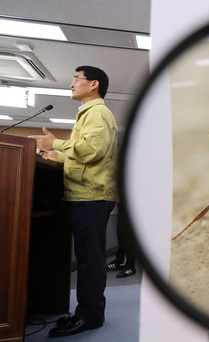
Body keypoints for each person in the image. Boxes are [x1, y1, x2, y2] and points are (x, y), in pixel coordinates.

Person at [29, 66, 118, 338]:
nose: (71, 84)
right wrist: (59, 157)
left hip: (91, 197)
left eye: (75, 79)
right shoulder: (88, 113)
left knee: (91, 260)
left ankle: (89, 317)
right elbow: (86, 156)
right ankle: (89, 312)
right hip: (85, 195)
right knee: (88, 258)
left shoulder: (98, 113)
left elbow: (93, 151)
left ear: (93, 84)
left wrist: (55, 144)